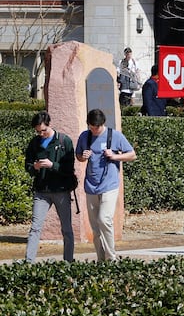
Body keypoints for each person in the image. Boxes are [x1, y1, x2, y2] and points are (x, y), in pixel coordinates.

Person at [75, 109, 137, 261]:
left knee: (104, 219)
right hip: (90, 185)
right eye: (91, 127)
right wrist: (83, 157)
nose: (94, 130)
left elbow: (132, 155)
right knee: (95, 228)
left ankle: (111, 258)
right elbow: (79, 156)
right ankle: (101, 260)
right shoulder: (85, 136)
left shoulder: (114, 135)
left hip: (109, 184)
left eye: (97, 127)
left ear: (103, 124)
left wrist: (114, 156)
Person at [24, 111, 76, 263]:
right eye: (38, 131)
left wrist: (53, 165)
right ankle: (29, 262)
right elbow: (27, 166)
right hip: (41, 191)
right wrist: (35, 167)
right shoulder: (34, 143)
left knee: (66, 228)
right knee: (35, 227)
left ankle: (68, 261)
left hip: (61, 190)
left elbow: (69, 168)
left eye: (43, 131)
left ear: (49, 125)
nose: (41, 134)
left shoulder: (64, 141)